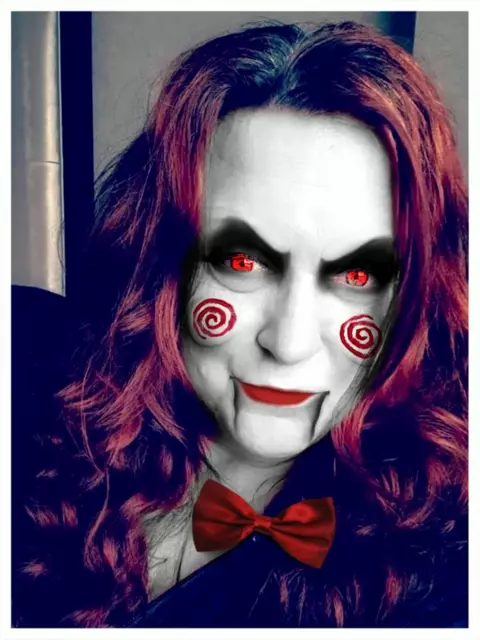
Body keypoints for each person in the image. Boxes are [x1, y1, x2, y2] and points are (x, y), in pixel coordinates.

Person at [11, 20, 468, 628]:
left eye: (357, 276)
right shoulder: (27, 378)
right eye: (242, 262)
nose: (289, 342)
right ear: (162, 262)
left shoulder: (443, 578)